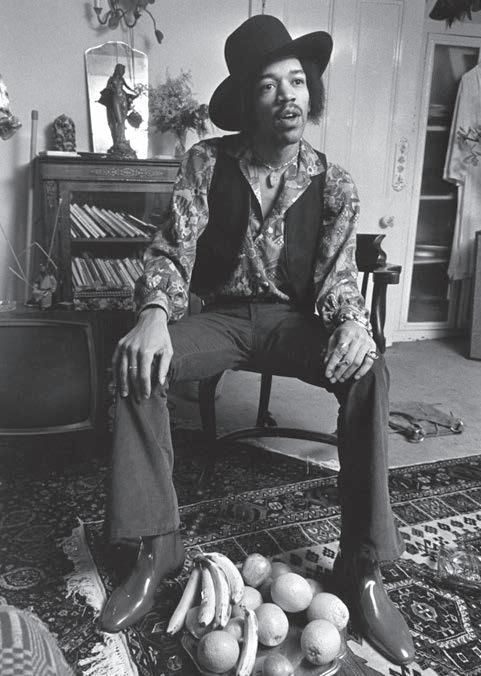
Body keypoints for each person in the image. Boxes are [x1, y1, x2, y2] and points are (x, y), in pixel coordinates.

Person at [101, 15, 415, 666]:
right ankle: (157, 548)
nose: (287, 97)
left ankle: (361, 568)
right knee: (136, 363)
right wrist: (154, 313)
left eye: (297, 81)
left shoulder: (334, 183)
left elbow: (337, 278)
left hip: (292, 323)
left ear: (311, 91)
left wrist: (354, 324)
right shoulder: (206, 162)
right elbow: (172, 248)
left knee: (370, 371)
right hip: (219, 318)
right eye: (269, 86)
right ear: (250, 101)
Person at [98, 63, 137, 155]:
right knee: (118, 120)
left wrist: (134, 92)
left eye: (124, 71)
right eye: (122, 70)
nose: (123, 72)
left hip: (123, 98)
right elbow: (107, 89)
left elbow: (127, 87)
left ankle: (122, 139)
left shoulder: (122, 79)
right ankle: (118, 140)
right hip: (115, 98)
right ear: (118, 70)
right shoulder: (111, 79)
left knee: (123, 120)